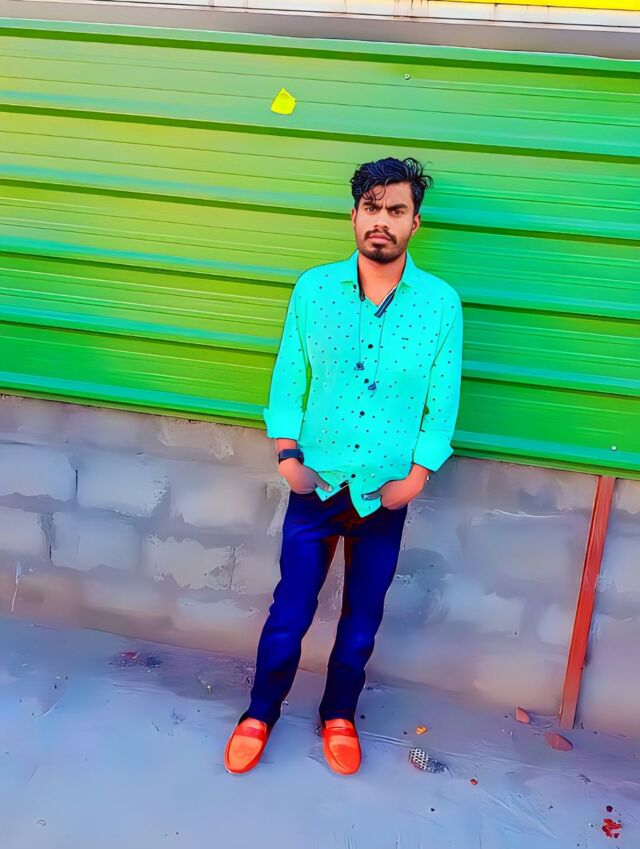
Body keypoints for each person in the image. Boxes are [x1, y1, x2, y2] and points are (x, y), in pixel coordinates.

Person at [224, 156, 463, 776]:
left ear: (415, 222)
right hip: (317, 483)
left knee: (362, 618)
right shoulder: (314, 289)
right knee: (290, 612)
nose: (382, 220)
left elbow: (442, 399)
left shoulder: (440, 305)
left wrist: (417, 477)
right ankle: (259, 713)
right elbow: (289, 376)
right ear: (354, 215)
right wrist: (287, 456)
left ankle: (339, 715)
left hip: (384, 492)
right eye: (371, 208)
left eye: (396, 210)